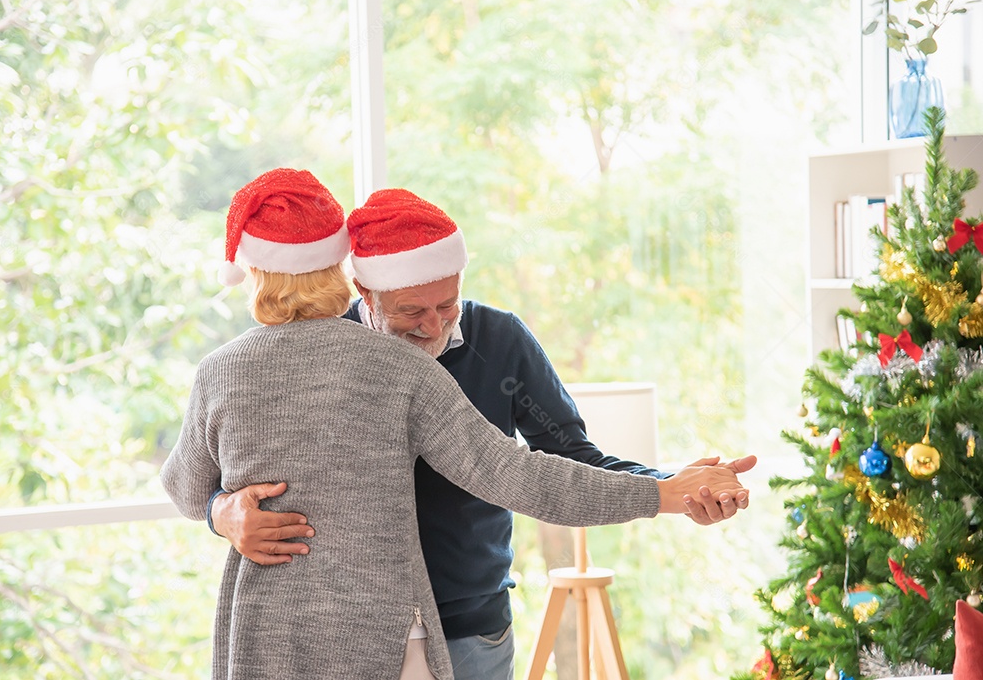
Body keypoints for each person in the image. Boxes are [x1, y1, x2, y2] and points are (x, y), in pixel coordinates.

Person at [206, 185, 757, 679]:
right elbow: (221, 471)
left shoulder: (500, 341)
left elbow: (555, 461)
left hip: (471, 620)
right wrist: (222, 511)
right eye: (410, 311)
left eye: (447, 305)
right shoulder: (330, 352)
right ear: (363, 294)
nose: (433, 325)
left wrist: (672, 487)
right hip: (352, 630)